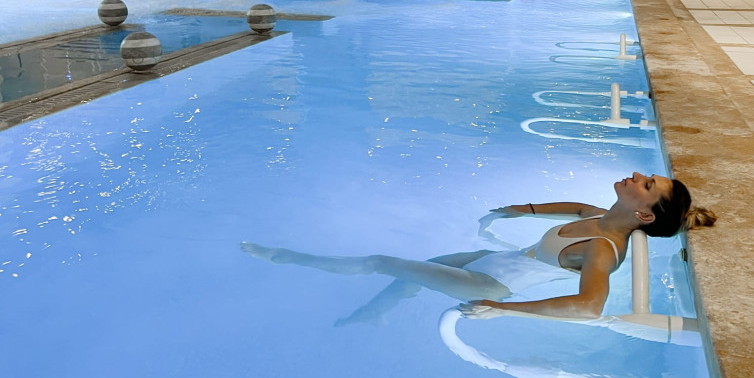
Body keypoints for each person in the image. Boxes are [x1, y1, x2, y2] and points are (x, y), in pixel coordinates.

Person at [241, 173, 715, 322]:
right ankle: (374, 314)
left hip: (490, 282)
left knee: (381, 261)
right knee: (418, 268)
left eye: (646, 185)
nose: (637, 176)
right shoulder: (602, 215)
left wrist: (504, 310)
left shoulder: (604, 249)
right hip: (499, 261)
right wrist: (523, 209)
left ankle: (283, 257)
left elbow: (589, 306)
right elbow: (574, 206)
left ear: (644, 215)